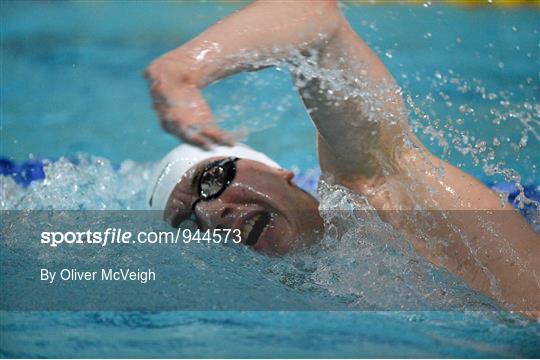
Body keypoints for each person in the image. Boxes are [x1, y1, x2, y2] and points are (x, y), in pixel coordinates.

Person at [144, 1, 538, 314]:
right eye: (188, 224)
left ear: (279, 171)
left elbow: (316, 20)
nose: (211, 215)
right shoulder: (309, 299)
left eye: (211, 180)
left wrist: (182, 69)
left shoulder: (371, 185)